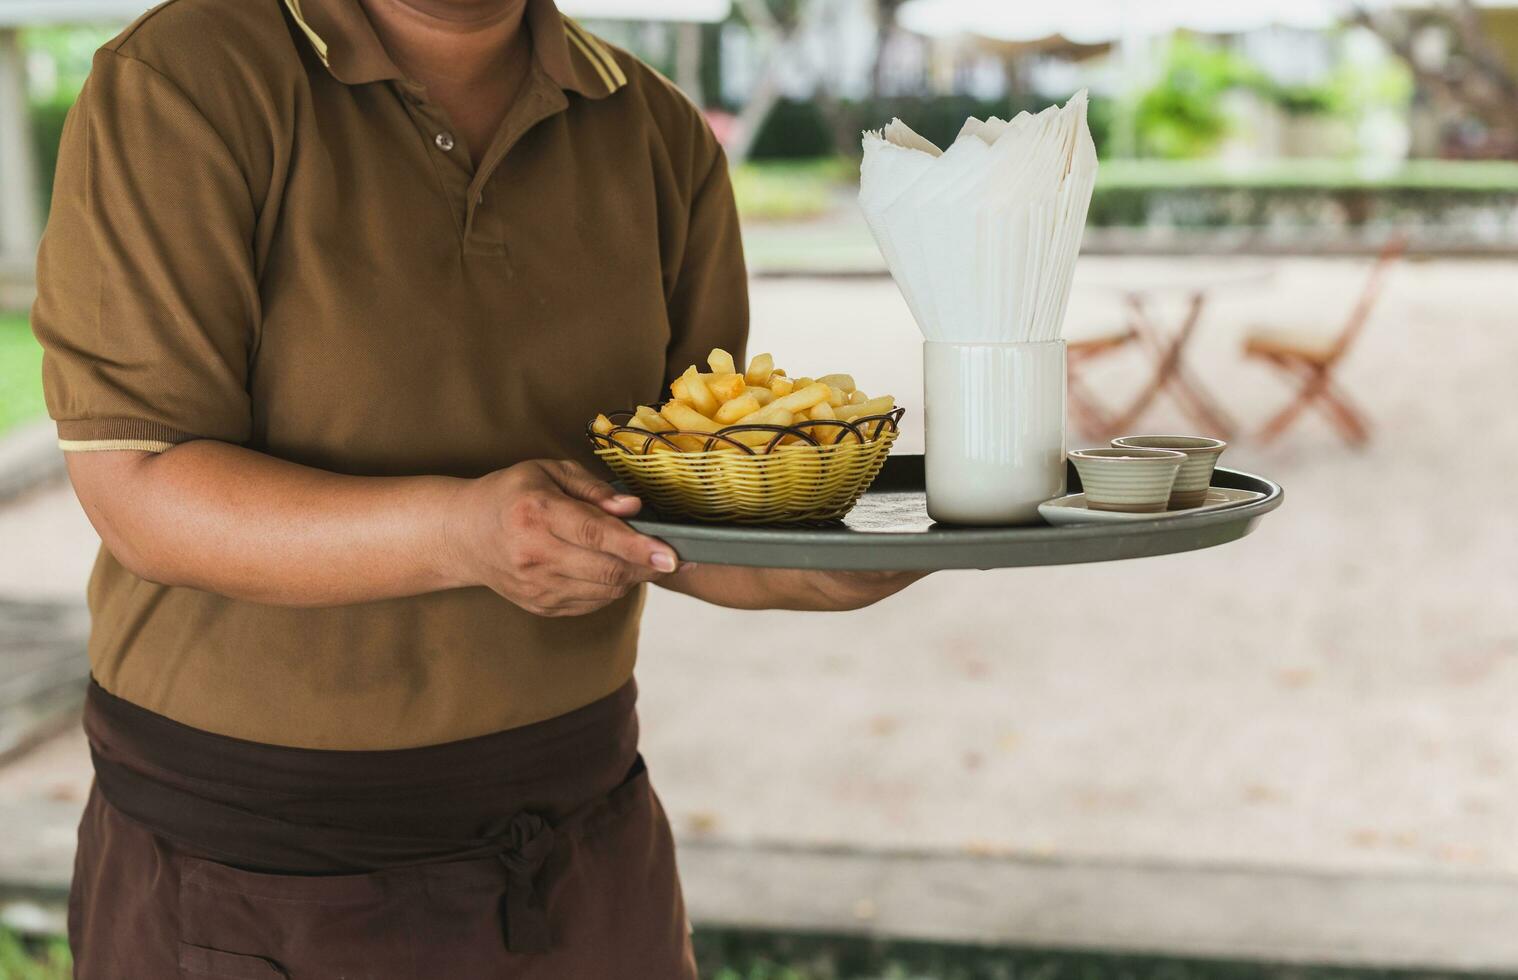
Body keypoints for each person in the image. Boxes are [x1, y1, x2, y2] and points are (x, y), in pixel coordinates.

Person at [31, 0, 922, 975]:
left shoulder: (653, 131)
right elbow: (138, 483)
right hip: (248, 874)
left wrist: (814, 571)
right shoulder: (188, 77)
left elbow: (666, 511)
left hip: (578, 856)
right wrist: (457, 534)